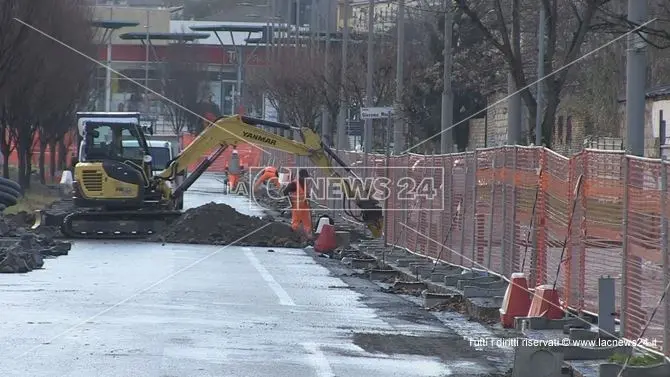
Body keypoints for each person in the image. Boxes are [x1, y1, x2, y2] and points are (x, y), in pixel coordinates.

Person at [283, 169, 313, 240]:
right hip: (297, 206)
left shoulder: (304, 184)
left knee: (307, 222)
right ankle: (294, 235)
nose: (305, 179)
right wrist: (290, 201)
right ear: (301, 176)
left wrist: (307, 197)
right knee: (296, 222)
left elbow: (305, 194)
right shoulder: (294, 184)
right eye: (304, 177)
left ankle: (307, 236)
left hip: (304, 206)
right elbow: (285, 192)